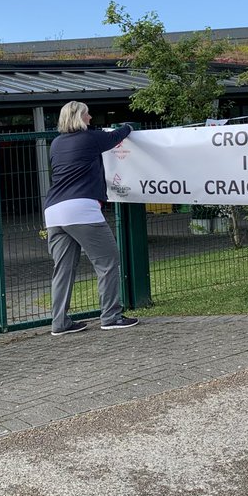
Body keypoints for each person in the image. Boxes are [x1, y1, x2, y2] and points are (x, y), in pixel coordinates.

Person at [44, 101, 138, 334]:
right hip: (81, 207)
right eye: (87, 114)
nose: (91, 117)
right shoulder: (90, 138)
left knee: (63, 268)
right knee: (107, 261)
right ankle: (111, 316)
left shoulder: (55, 144)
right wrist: (129, 126)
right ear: (79, 117)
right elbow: (118, 135)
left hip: (53, 211)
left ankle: (59, 323)